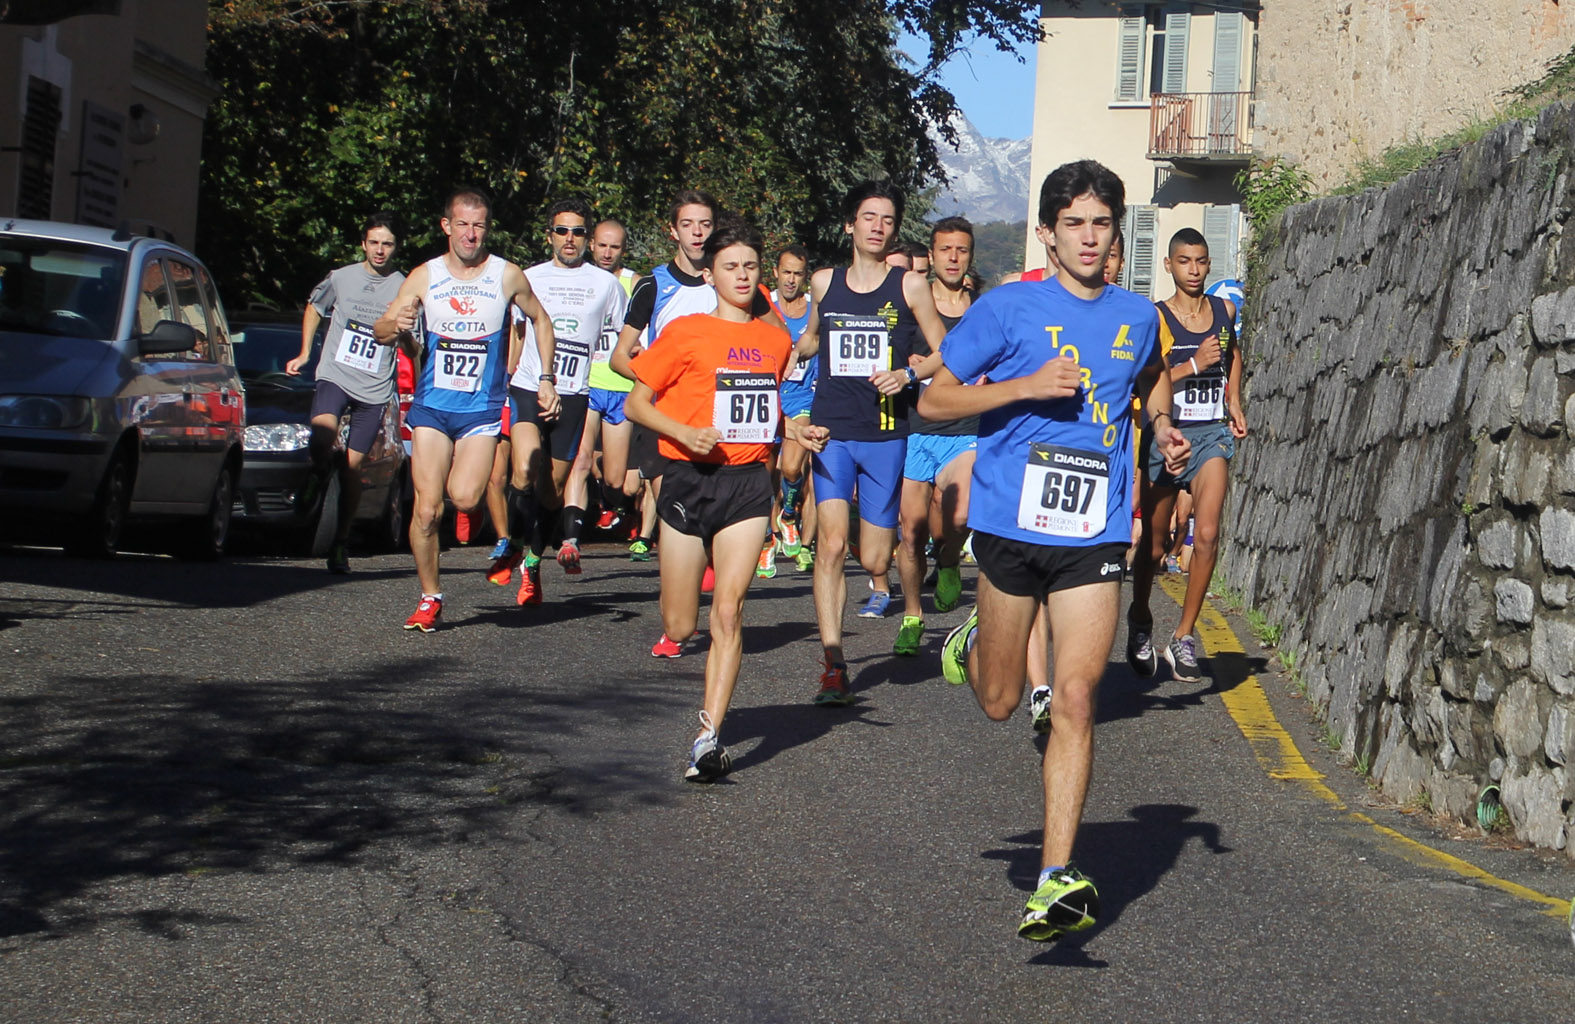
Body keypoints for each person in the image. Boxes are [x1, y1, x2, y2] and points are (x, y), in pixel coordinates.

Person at [923, 160, 1190, 942]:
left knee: (1073, 699)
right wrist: (1021, 388)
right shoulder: (1007, 308)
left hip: (1092, 534)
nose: (1087, 237)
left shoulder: (1136, 315)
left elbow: (1148, 381)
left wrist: (1161, 426)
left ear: (1115, 233)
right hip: (1010, 527)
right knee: (999, 701)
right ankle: (977, 638)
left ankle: (1054, 879)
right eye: (1072, 223)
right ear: (1046, 232)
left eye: (1100, 223)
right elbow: (934, 398)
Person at [626, 218, 829, 780]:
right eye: (730, 267)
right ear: (710, 275)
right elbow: (636, 404)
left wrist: (796, 431)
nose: (741, 275)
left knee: (728, 611)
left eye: (750, 266)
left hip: (745, 485)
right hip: (688, 478)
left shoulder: (775, 340)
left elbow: (765, 412)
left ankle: (708, 736)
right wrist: (683, 432)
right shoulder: (685, 332)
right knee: (680, 625)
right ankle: (684, 636)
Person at [791, 180, 950, 704]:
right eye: (869, 217)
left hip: (885, 434)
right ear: (850, 225)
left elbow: (946, 351)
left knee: (877, 558)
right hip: (831, 430)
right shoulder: (824, 282)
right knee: (831, 546)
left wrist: (908, 374)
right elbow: (813, 334)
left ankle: (866, 526)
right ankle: (833, 663)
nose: (878, 227)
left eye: (887, 220)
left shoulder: (910, 286)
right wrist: (795, 350)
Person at [376, 188, 555, 631]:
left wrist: (546, 378)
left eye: (478, 226)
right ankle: (430, 597)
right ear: (447, 226)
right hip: (432, 407)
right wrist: (395, 325)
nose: (470, 234)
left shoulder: (506, 275)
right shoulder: (425, 275)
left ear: (487, 229)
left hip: (480, 410)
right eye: (462, 225)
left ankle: (469, 509)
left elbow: (541, 319)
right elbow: (381, 329)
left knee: (466, 497)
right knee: (426, 511)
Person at [491, 197, 627, 604]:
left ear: (588, 238)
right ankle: (512, 544)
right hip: (530, 385)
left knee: (552, 490)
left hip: (574, 393)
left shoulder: (606, 285)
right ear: (549, 234)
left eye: (578, 231)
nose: (570, 239)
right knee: (523, 467)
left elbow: (624, 337)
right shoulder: (528, 277)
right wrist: (506, 379)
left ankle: (532, 561)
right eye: (562, 230)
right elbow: (517, 334)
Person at [1126, 228, 1247, 682]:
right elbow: (1145, 381)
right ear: (1168, 265)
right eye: (1184, 261)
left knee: (1208, 533)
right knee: (1154, 547)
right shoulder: (1155, 318)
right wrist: (1194, 363)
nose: (1193, 270)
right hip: (1166, 437)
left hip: (1210, 434)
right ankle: (1140, 617)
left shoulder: (1223, 311)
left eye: (1200, 261)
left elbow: (1232, 355)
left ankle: (1183, 635)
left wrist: (1234, 400)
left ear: (1209, 264)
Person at [287, 212, 406, 573]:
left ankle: (340, 542)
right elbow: (315, 307)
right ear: (363, 244)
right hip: (336, 374)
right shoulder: (342, 277)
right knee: (322, 434)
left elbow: (414, 339)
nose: (380, 250)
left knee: (353, 467)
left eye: (387, 244)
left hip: (373, 387)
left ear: (396, 247)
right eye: (374, 243)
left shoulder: (404, 286)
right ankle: (318, 471)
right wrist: (305, 352)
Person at [894, 216, 977, 657]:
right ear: (931, 254)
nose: (953, 258)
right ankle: (912, 615)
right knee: (911, 531)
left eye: (961, 250)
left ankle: (947, 560)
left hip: (965, 430)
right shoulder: (911, 305)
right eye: (945, 249)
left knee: (958, 516)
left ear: (970, 256)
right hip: (917, 430)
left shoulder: (982, 309)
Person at [577, 218, 644, 536]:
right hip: (587, 383)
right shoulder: (579, 280)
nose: (607, 253)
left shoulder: (635, 284)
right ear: (591, 244)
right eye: (602, 245)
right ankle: (572, 535)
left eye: (614, 247)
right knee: (581, 458)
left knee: (617, 480)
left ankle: (611, 500)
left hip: (621, 385)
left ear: (623, 250)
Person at [770, 244, 817, 576]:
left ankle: (789, 514)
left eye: (797, 274)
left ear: (805, 277)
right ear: (775, 272)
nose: (791, 279)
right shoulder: (765, 307)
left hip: (802, 400)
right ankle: (768, 540)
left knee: (790, 468)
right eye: (785, 272)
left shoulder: (814, 309)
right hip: (768, 400)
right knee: (766, 476)